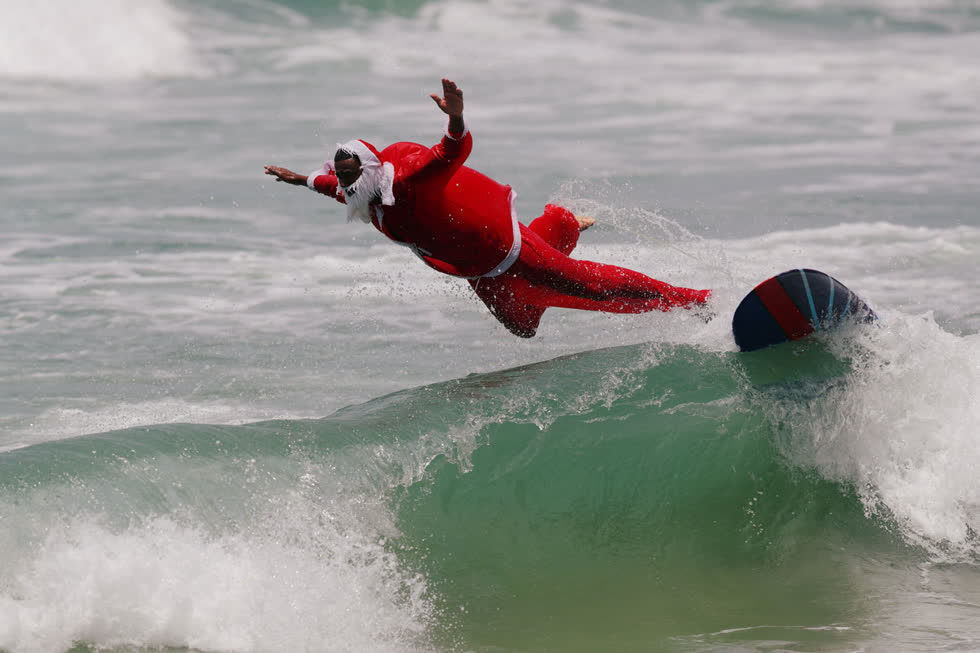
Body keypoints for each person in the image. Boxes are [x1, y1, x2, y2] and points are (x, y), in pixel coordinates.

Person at [264, 79, 710, 337]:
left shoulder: (408, 176)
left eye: (352, 173)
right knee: (523, 325)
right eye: (342, 175)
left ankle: (695, 302)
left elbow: (449, 152)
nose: (347, 182)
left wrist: (455, 117)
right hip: (476, 269)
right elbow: (332, 187)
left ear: (373, 166)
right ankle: (559, 223)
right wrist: (300, 179)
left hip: (503, 246)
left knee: (587, 285)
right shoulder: (357, 192)